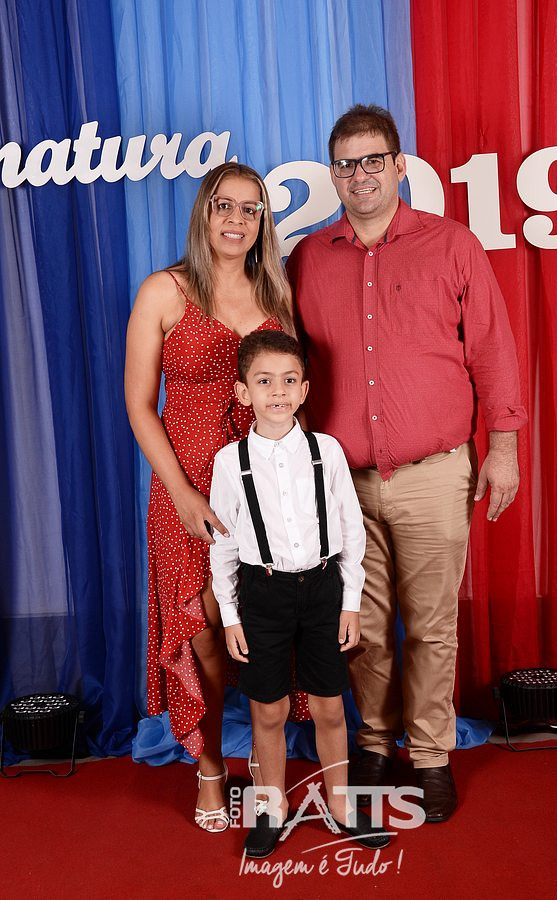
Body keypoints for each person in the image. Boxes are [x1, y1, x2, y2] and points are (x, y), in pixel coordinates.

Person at [286, 104, 527, 823]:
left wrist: (503, 450)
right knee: (360, 624)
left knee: (430, 628)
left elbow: (492, 348)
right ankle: (373, 742)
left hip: (435, 473)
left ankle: (429, 755)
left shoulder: (452, 245)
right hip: (341, 482)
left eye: (372, 161)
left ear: (397, 166)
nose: (359, 175)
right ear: (333, 174)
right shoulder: (307, 257)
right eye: (345, 164)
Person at [124, 162, 296, 833]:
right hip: (187, 487)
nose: (236, 219)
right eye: (224, 205)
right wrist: (183, 494)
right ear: (204, 212)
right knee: (201, 632)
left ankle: (265, 762)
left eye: (250, 209)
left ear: (262, 222)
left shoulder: (276, 294)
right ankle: (210, 767)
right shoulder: (164, 291)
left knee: (259, 625)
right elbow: (140, 406)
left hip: (261, 484)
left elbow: (292, 394)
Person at [210, 330, 390, 858]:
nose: (278, 392)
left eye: (289, 381)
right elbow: (223, 543)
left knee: (330, 707)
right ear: (243, 392)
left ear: (305, 389)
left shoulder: (325, 451)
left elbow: (351, 529)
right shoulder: (230, 462)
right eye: (264, 382)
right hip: (262, 594)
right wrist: (230, 614)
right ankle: (272, 807)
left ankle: (341, 805)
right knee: (269, 710)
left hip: (322, 590)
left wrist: (350, 602)